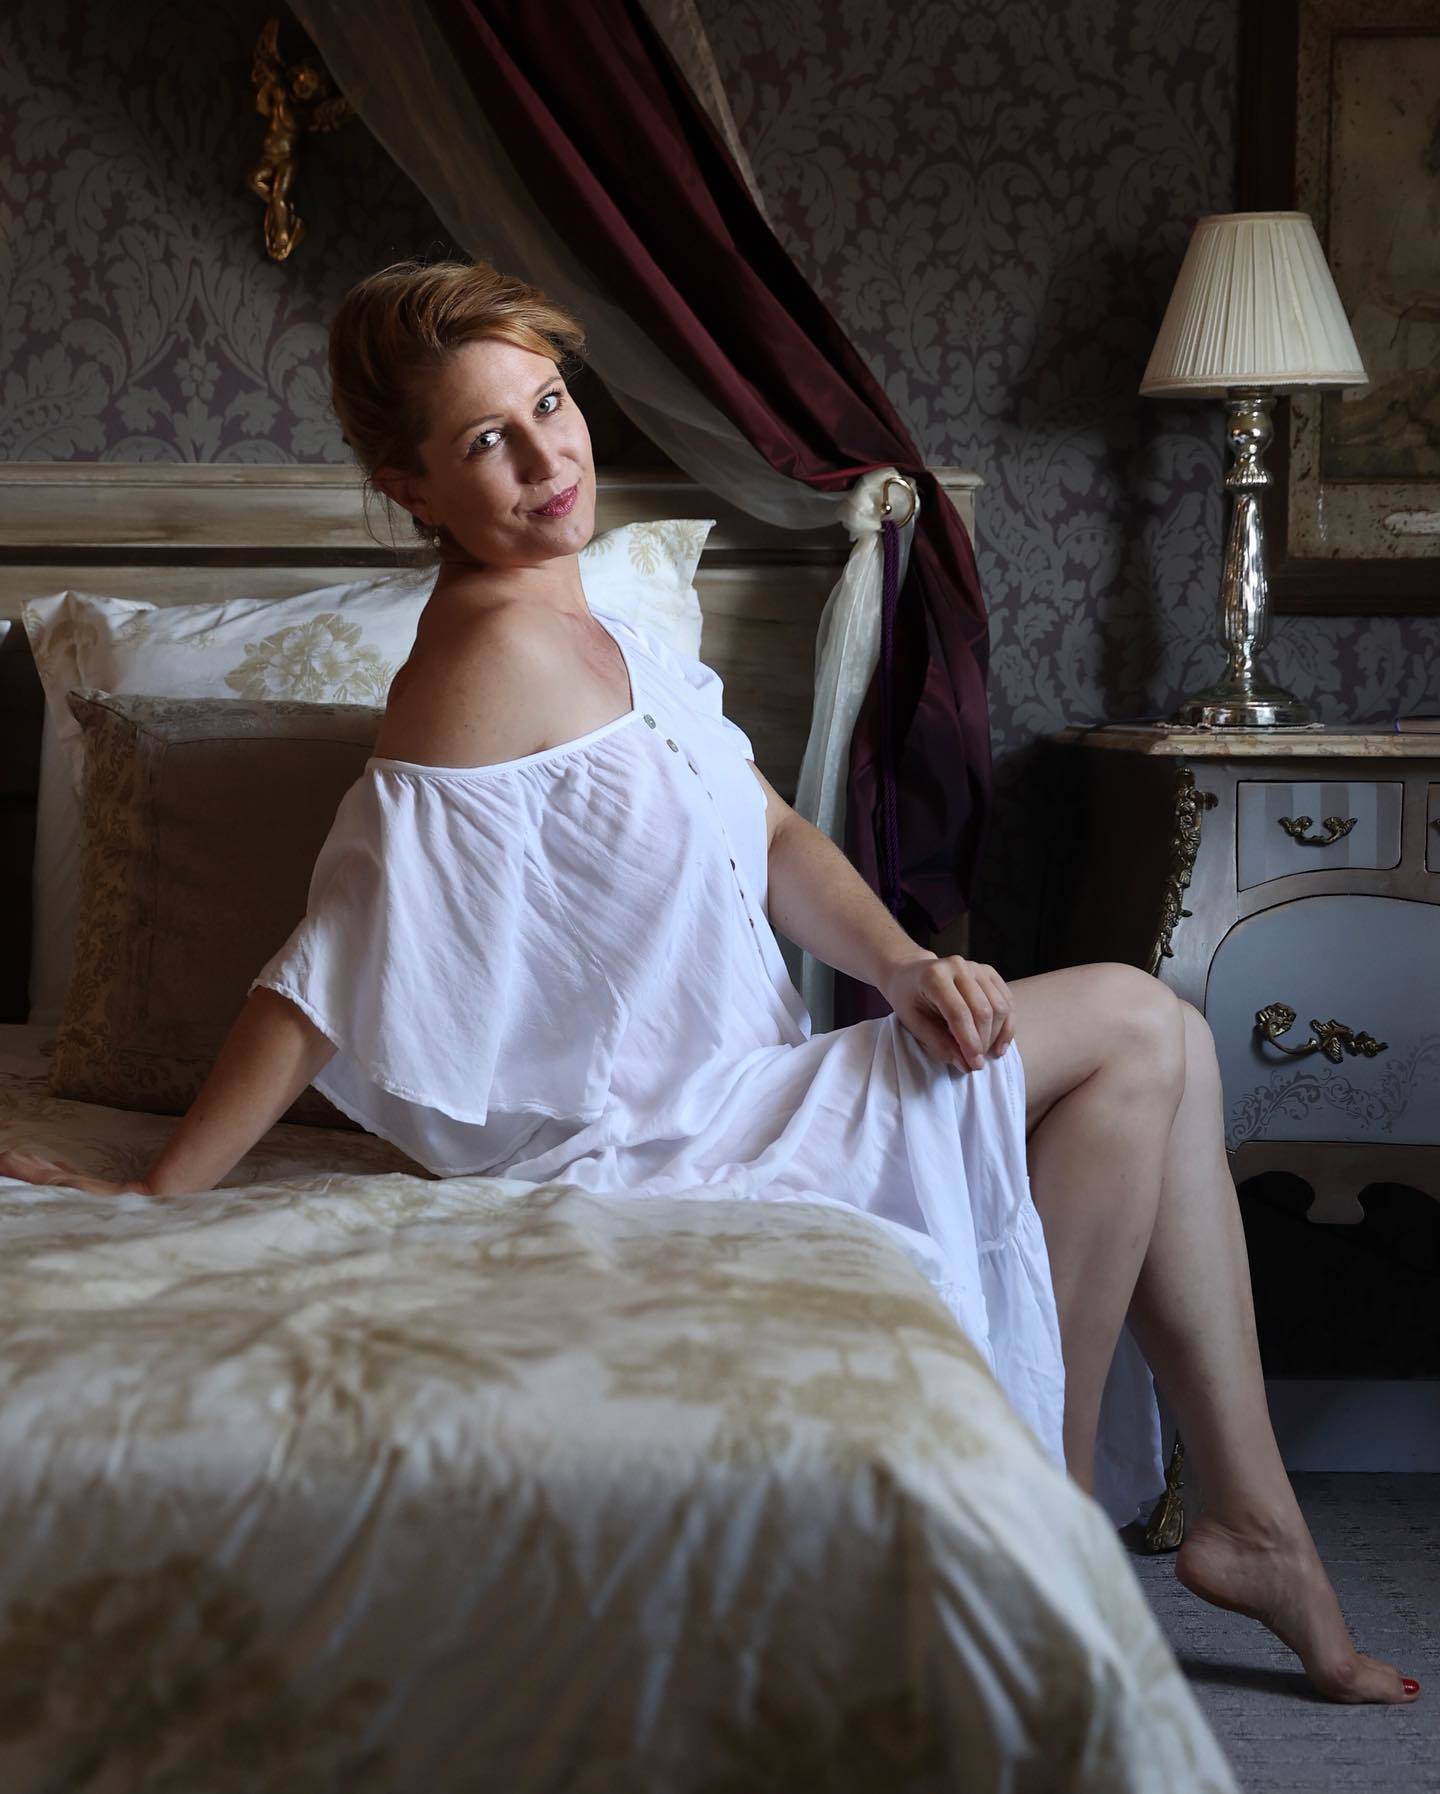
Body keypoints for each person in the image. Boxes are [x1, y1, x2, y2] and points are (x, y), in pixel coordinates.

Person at [2, 259, 1417, 1708]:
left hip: (755, 1087)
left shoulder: (602, 621)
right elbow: (333, 959)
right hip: (661, 1140)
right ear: (410, 486)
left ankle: (1221, 1522)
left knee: (1154, 1047)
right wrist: (162, 1188)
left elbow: (772, 830)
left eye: (550, 402)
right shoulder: (477, 663)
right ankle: (1077, 1511)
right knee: (1137, 1024)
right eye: (488, 438)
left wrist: (903, 963)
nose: (548, 457)